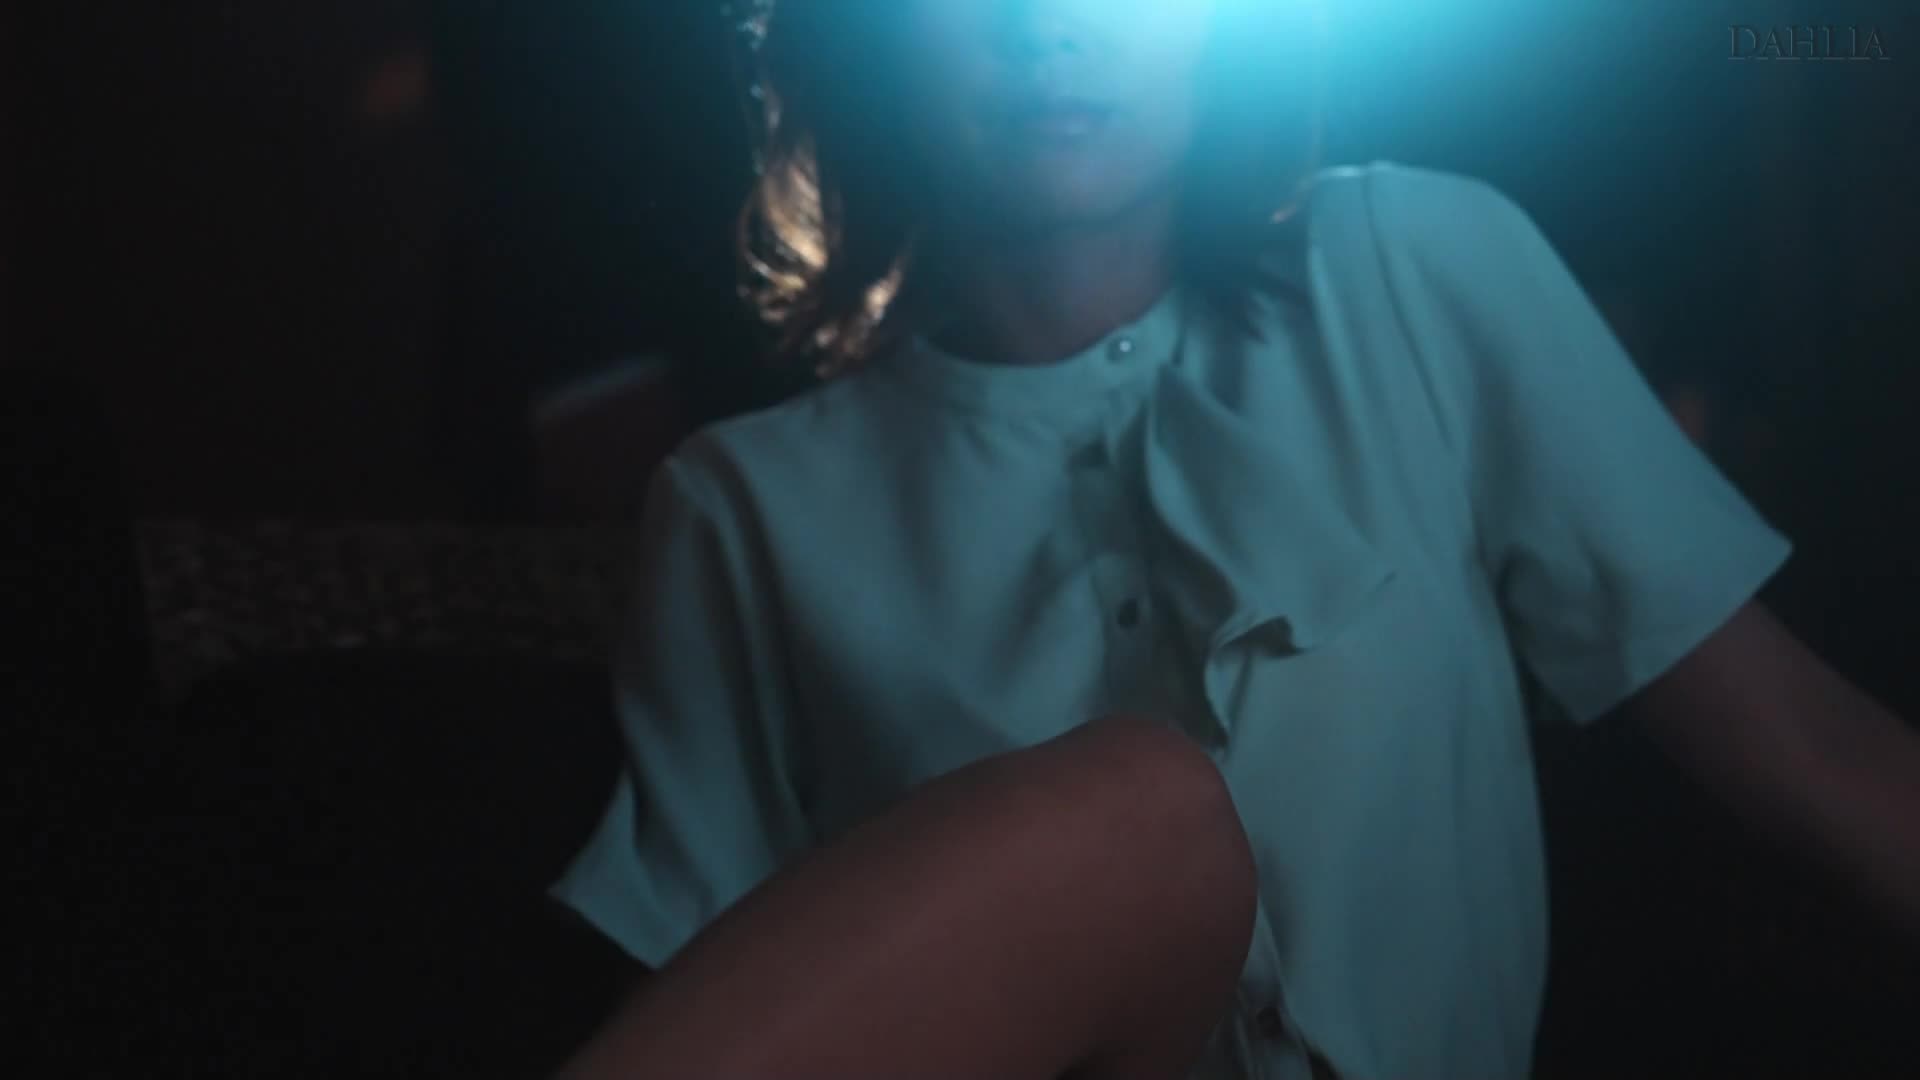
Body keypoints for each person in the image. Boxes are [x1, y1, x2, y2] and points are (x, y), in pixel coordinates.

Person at [549, 3, 1920, 1078]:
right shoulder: (744, 506)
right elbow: (707, 1014)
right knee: (1145, 811)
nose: (1051, 26)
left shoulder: (1416, 270)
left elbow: (1809, 745)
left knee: (1149, 808)